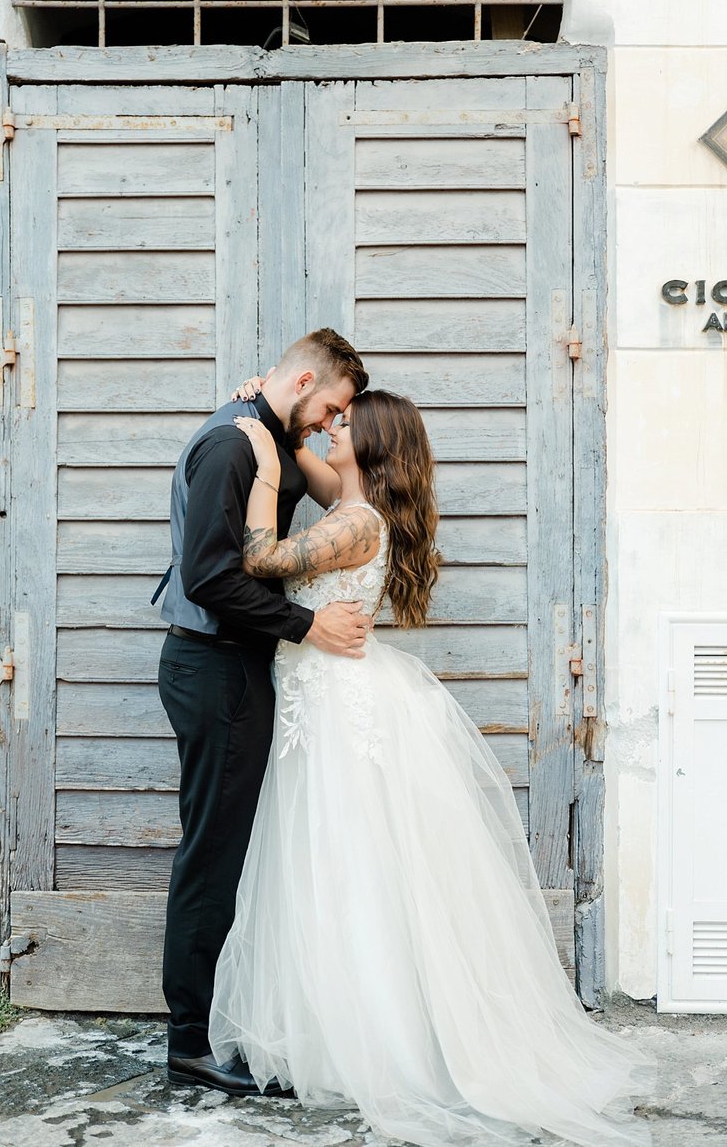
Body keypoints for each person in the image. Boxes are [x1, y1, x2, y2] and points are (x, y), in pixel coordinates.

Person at [208, 383, 657, 1146]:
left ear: (373, 446)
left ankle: (384, 1043)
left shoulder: (353, 525)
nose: (331, 427)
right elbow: (305, 464)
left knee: (353, 870)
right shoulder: (349, 499)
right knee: (329, 869)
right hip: (320, 702)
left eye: (344, 424)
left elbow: (257, 558)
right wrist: (266, 412)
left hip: (339, 710)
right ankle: (339, 1030)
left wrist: (255, 464)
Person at [154, 329, 370, 1096]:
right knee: (211, 854)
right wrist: (308, 626)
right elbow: (210, 579)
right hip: (214, 668)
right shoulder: (232, 447)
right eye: (332, 407)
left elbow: (320, 489)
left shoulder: (263, 433)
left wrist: (285, 423)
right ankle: (187, 1043)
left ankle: (214, 1028)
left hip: (234, 667)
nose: (330, 422)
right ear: (306, 378)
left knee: (227, 852)